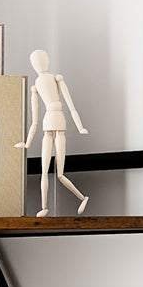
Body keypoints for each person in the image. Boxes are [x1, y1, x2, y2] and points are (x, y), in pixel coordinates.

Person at [14, 49, 88, 217]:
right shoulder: (36, 86)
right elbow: (35, 121)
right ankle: (45, 207)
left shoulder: (56, 79)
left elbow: (71, 106)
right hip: (49, 123)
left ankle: (82, 198)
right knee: (45, 171)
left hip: (58, 120)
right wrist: (26, 143)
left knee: (60, 173)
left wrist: (79, 126)